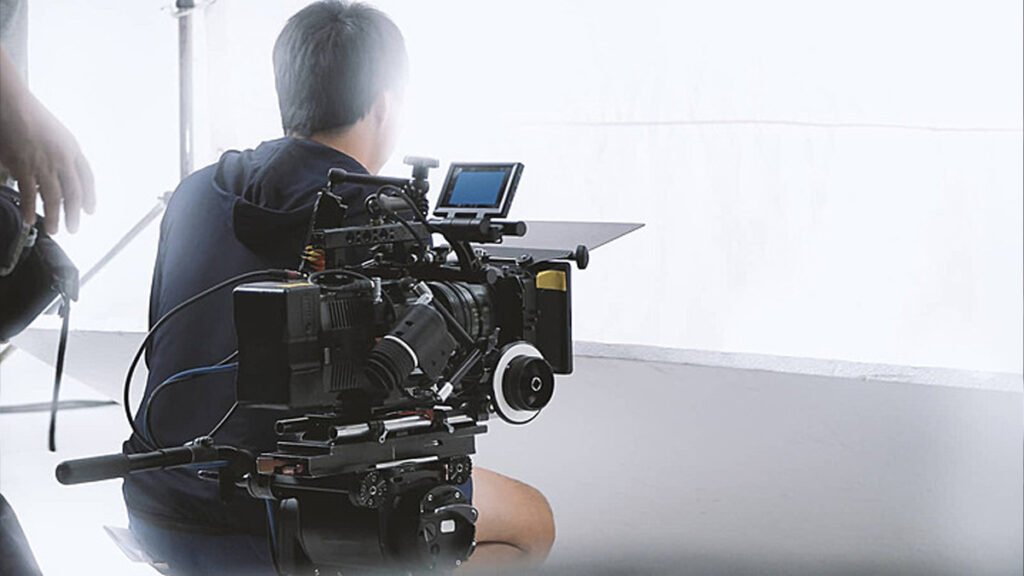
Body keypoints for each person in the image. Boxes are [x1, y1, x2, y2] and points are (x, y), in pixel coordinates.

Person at [123, 2, 555, 573]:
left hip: (156, 507)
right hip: (280, 523)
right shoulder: (379, 218)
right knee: (533, 522)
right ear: (385, 103)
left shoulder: (195, 192)